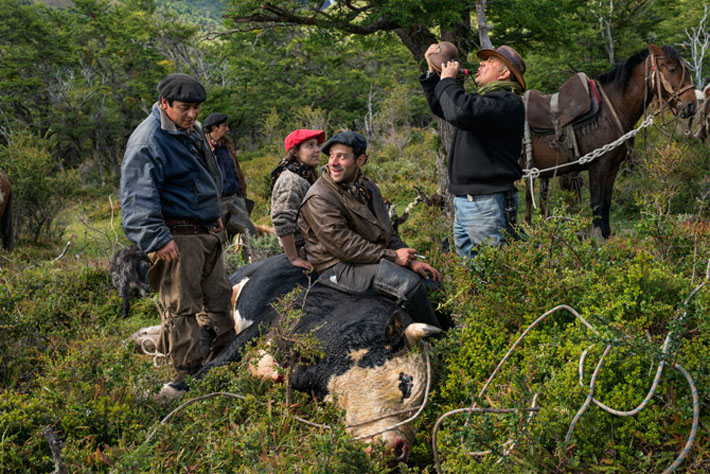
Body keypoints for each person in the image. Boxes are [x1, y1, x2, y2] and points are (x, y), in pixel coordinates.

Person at [120, 73, 235, 400]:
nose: (193, 115)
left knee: (217, 297)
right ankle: (185, 378)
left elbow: (206, 177)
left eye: (197, 108)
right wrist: (156, 238)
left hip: (206, 231)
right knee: (181, 309)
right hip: (177, 236)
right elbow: (136, 197)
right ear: (164, 103)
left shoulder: (191, 131)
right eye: (185, 108)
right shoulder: (148, 140)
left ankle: (221, 359)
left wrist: (216, 218)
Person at [297, 131, 442, 328]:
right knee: (408, 284)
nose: (333, 162)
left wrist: (412, 261)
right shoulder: (320, 197)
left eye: (342, 156)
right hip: (337, 266)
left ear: (361, 160)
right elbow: (344, 247)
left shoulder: (369, 188)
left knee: (430, 280)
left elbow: (387, 232)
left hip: (368, 258)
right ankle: (438, 340)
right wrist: (393, 257)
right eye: (331, 156)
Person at [420, 44, 527, 258]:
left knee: (495, 270)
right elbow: (444, 106)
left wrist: (448, 80)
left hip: (486, 201)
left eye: (489, 62)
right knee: (471, 269)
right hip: (471, 201)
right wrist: (433, 73)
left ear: (504, 73)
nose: (481, 63)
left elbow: (459, 111)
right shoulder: (485, 102)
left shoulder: (507, 102)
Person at [270, 129, 325, 270]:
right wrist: (293, 258)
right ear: (295, 152)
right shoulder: (292, 181)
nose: (317, 150)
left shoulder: (305, 174)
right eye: (310, 146)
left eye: (317, 145)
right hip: (303, 246)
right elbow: (282, 219)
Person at [203, 113, 258, 241]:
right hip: (216, 202)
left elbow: (236, 170)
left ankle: (254, 259)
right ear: (214, 128)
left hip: (235, 198)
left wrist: (242, 192)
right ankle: (224, 261)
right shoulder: (203, 148)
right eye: (224, 126)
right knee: (217, 238)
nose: (227, 129)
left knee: (250, 233)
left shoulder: (226, 145)